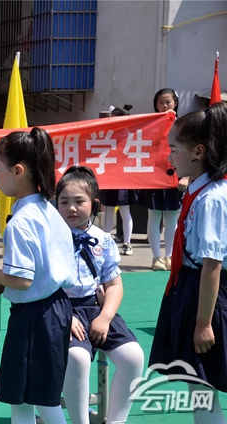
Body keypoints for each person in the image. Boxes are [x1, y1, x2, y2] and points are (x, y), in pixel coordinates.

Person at [0, 128, 76, 424]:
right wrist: (1, 278)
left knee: (34, 399)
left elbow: (23, 281)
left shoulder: (20, 222)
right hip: (53, 308)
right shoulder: (48, 209)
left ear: (17, 171)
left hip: (35, 316)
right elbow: (33, 273)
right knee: (31, 397)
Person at [149, 102, 227, 423]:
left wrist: (203, 323)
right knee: (198, 384)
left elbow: (212, 265)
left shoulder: (212, 198)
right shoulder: (197, 190)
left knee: (203, 385)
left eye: (174, 149)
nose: (169, 157)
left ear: (198, 152)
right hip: (190, 288)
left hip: (206, 295)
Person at [56, 166, 144, 424]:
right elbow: (43, 285)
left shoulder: (104, 240)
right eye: (64, 202)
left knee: (133, 357)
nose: (71, 208)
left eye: (79, 201)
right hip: (60, 310)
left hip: (97, 307)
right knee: (78, 357)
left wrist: (105, 317)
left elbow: (114, 285)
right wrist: (63, 315)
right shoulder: (50, 238)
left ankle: (116, 421)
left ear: (94, 204)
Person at [138, 88, 188, 271]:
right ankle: (156, 258)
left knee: (172, 217)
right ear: (155, 105)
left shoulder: (182, 125)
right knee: (154, 216)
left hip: (174, 175)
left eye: (168, 101)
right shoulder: (149, 125)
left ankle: (169, 256)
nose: (165, 105)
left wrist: (186, 176)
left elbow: (188, 150)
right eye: (161, 102)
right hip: (154, 176)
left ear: (175, 102)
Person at [100, 105, 139, 255]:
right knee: (108, 210)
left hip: (124, 178)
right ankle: (106, 242)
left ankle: (127, 243)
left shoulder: (130, 135)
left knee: (124, 210)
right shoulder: (106, 134)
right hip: (110, 176)